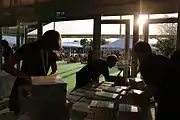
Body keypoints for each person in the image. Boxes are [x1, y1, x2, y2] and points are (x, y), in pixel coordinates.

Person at [4, 30, 62, 115]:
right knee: (22, 114)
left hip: (39, 88)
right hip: (23, 87)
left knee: (37, 113)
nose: (51, 50)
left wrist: (49, 78)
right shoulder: (28, 48)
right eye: (50, 47)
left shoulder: (51, 53)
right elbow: (7, 66)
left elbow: (55, 70)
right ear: (45, 42)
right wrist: (25, 76)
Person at [134, 41, 172, 120]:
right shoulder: (161, 58)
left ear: (139, 53)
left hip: (169, 101)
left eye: (137, 54)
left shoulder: (145, 64)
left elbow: (152, 89)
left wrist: (135, 99)